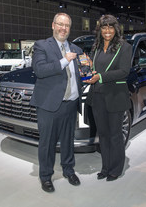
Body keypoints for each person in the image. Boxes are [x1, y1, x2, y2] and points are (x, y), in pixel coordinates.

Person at [30, 13, 83, 193]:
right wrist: (64, 61)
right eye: (60, 24)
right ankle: (45, 176)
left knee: (68, 140)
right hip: (49, 105)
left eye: (67, 25)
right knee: (47, 143)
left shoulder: (76, 48)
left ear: (70, 28)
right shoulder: (42, 45)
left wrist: (87, 71)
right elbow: (39, 70)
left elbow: (81, 73)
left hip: (71, 103)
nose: (63, 28)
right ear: (53, 25)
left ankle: (69, 170)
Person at [84, 14, 132, 182]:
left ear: (116, 29)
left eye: (111, 27)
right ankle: (105, 167)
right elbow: (95, 69)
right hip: (97, 96)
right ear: (100, 30)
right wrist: (91, 74)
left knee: (115, 135)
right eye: (104, 27)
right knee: (102, 134)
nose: (107, 31)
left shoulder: (124, 47)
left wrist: (101, 77)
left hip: (115, 96)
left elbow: (124, 71)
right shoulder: (96, 47)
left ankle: (116, 169)